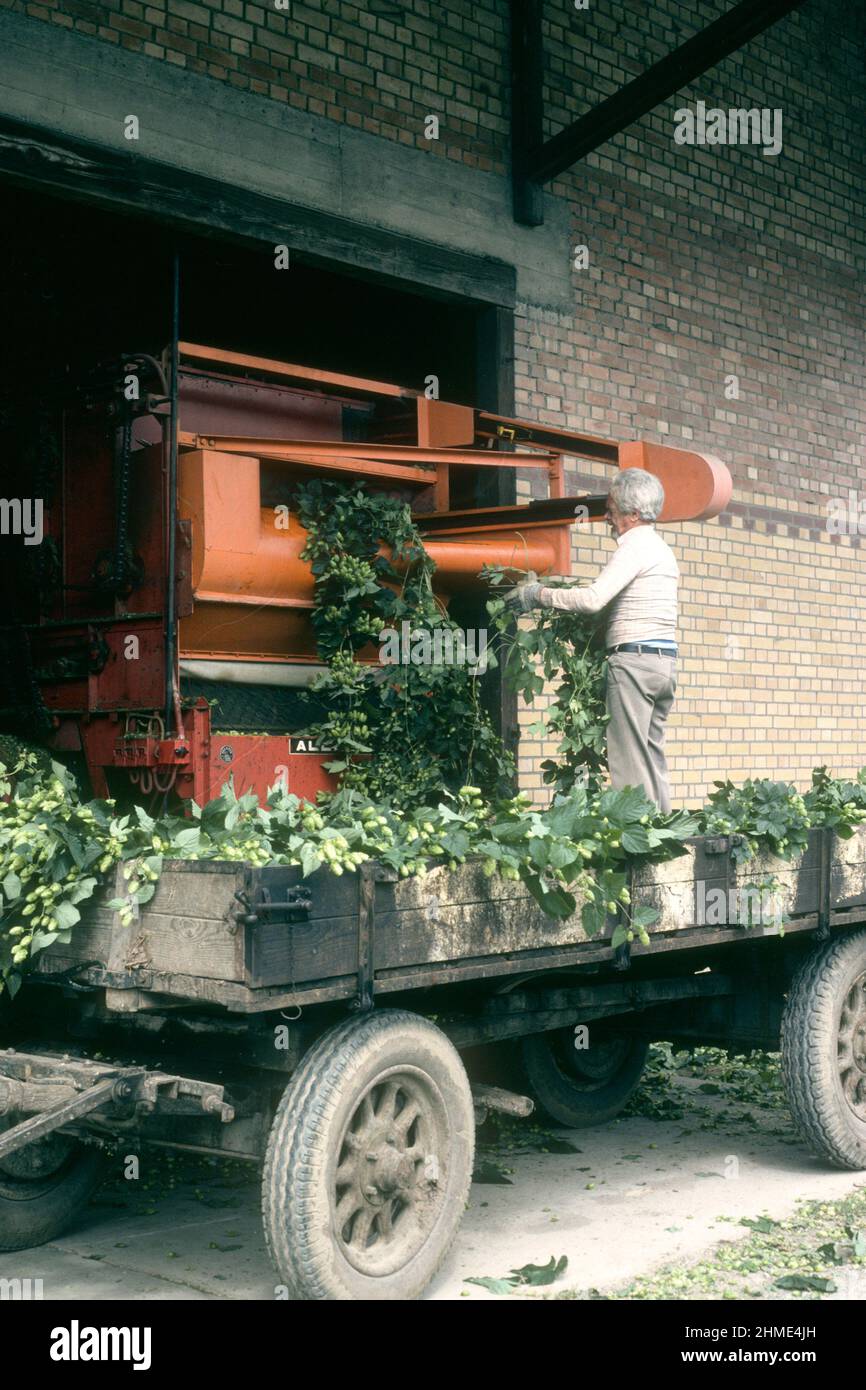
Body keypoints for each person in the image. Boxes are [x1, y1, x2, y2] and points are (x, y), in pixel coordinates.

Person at [506, 468, 679, 813]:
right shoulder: (661, 549)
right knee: (650, 754)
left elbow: (592, 599)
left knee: (628, 760)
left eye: (612, 509)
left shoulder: (636, 546)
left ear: (632, 514)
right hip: (662, 664)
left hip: (634, 663)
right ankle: (663, 834)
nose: (606, 517)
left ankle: (639, 846)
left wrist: (538, 594)